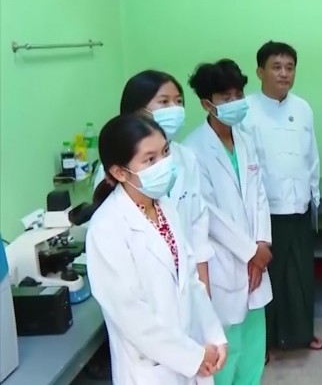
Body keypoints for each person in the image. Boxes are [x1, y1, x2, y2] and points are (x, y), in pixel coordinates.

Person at [85, 114, 228, 384]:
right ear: (119, 172)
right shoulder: (106, 228)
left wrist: (214, 335)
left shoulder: (164, 206)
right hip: (150, 369)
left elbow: (191, 281)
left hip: (192, 354)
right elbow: (132, 316)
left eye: (165, 152)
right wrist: (192, 357)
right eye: (150, 160)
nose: (164, 164)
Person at [184, 59, 273, 382]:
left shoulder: (245, 139)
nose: (235, 102)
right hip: (223, 261)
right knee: (227, 350)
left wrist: (262, 243)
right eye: (226, 97)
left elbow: (259, 195)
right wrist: (250, 252)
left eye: (239, 95)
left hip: (256, 259)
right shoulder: (193, 149)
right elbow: (208, 213)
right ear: (207, 103)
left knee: (253, 348)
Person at [94, 70, 212, 290]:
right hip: (145, 288)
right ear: (137, 110)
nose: (175, 109)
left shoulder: (185, 157)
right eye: (164, 102)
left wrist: (204, 288)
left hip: (186, 281)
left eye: (179, 101)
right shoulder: (115, 172)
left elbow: (198, 224)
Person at [245, 41, 322, 352]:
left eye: (289, 67)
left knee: (301, 275)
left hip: (300, 206)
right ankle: (264, 343)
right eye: (276, 67)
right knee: (269, 279)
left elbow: (311, 157)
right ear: (260, 72)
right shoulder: (246, 111)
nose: (284, 74)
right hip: (265, 212)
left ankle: (301, 335)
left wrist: (314, 199)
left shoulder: (302, 108)